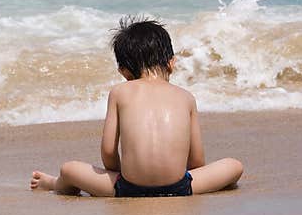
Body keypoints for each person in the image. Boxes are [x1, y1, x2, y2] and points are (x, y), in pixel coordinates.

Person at [30, 16, 243, 197]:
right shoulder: (186, 97)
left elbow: (108, 151)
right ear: (172, 63)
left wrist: (119, 174)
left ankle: (54, 184)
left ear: (123, 71)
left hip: (127, 188)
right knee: (234, 166)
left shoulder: (119, 92)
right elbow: (197, 161)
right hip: (180, 187)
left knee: (69, 169)